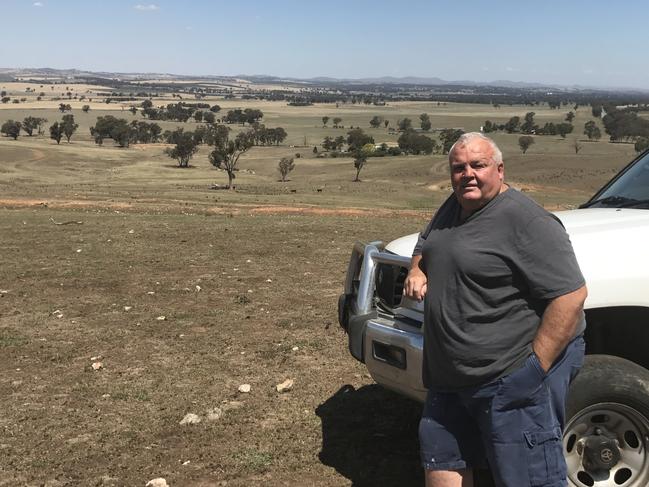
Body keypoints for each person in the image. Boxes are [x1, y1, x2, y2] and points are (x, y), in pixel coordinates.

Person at [403, 132, 587, 487]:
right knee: (442, 461)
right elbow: (428, 241)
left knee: (526, 478)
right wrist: (415, 268)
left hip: (508, 372)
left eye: (478, 165)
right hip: (449, 379)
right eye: (459, 168)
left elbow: (571, 295)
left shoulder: (528, 221)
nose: (467, 174)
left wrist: (533, 370)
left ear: (500, 170)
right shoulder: (454, 204)